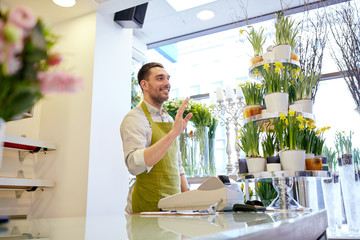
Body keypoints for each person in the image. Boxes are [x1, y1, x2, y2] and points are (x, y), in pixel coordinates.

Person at [120, 62, 193, 213]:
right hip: (147, 207)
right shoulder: (135, 118)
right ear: (144, 85)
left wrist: (191, 202)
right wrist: (174, 133)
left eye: (168, 78)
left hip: (174, 209)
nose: (167, 83)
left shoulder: (170, 119)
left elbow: (176, 165)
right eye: (160, 78)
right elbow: (134, 165)